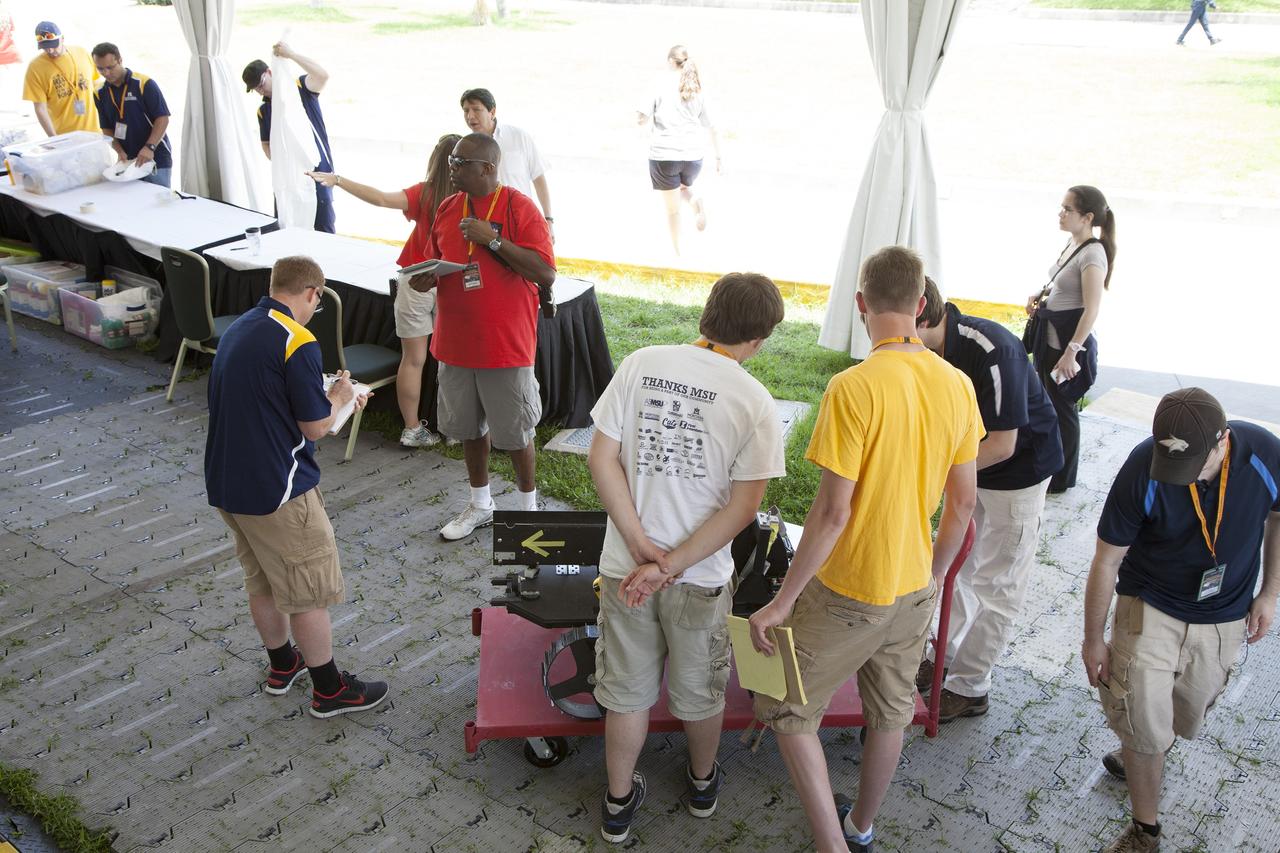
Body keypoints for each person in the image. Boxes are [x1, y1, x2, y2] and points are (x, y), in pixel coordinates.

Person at [749, 246, 983, 853]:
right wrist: (934, 576)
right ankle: (861, 827)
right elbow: (962, 507)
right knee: (891, 713)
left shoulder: (852, 387)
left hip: (850, 588)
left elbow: (832, 514)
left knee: (784, 706)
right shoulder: (958, 384)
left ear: (860, 304)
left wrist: (782, 602)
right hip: (914, 586)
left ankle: (830, 843)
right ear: (922, 304)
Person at [587, 272, 787, 844]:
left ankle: (618, 804)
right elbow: (745, 507)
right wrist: (670, 564)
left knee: (626, 692)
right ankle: (702, 785)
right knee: (701, 691)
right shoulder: (755, 401)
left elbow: (601, 459)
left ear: (706, 315)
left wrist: (641, 547)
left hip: (625, 570)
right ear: (760, 339)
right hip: (699, 579)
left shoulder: (641, 363)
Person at [1083, 388, 1279, 853]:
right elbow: (1107, 560)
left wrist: (1270, 593)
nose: (1178, 477)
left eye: (1192, 465)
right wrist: (1092, 639)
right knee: (1142, 719)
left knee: (1187, 709)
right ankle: (1144, 829)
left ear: (1222, 441)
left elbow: (1278, 517)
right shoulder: (1143, 465)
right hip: (1150, 604)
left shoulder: (1265, 455)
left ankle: (1149, 745)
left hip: (1224, 612)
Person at [205, 255, 389, 719]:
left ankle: (283, 663)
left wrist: (328, 399)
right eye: (317, 304)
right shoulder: (299, 340)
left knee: (263, 580)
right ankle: (329, 689)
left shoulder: (240, 327)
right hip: (279, 489)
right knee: (309, 591)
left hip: (229, 480)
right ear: (312, 293)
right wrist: (341, 397)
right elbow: (315, 427)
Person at [914, 277, 1064, 722]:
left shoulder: (992, 349)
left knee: (997, 584)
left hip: (1018, 474)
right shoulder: (924, 352)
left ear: (921, 315)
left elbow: (1002, 444)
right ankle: (941, 658)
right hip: (973, 468)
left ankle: (970, 686)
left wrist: (936, 473)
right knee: (957, 567)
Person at [410, 133, 556, 541]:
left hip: (504, 344)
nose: (452, 168)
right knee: (469, 430)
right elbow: (435, 259)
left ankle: (527, 511)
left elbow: (545, 272)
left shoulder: (518, 207)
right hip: (455, 343)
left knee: (516, 434)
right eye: (451, 161)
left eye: (461, 163)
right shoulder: (448, 207)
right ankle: (480, 504)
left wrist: (491, 239)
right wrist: (425, 277)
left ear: (488, 168)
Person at [306, 133, 462, 448]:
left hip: (415, 279)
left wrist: (338, 180)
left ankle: (412, 428)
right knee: (453, 361)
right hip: (452, 280)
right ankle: (456, 429)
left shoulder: (425, 192)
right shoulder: (468, 198)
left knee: (413, 360)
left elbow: (380, 198)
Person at [1024, 185, 1116, 494]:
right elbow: (1065, 285)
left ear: (1087, 217)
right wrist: (1041, 294)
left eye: (1068, 209)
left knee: (1063, 410)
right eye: (1061, 207)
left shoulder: (1093, 254)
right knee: (1048, 404)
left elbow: (1092, 308)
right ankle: (1049, 465)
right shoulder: (1073, 243)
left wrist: (1071, 352)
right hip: (1050, 339)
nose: (1061, 214)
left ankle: (1062, 477)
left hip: (1067, 346)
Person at [637, 45, 722, 255]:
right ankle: (696, 203)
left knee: (672, 210)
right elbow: (712, 126)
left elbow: (641, 118)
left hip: (664, 156)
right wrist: (719, 157)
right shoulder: (696, 88)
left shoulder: (658, 83)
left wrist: (643, 123)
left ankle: (678, 254)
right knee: (683, 188)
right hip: (693, 157)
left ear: (670, 62)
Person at [243, 42, 335, 233]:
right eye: (256, 89)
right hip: (288, 179)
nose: (261, 91)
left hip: (319, 172)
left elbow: (322, 76)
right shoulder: (264, 110)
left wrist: (291, 54)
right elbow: (266, 144)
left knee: (323, 228)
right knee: (287, 227)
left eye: (261, 84)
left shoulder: (299, 87)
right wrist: (282, 160)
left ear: (269, 72)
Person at [459, 88, 554, 238]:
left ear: (492, 112)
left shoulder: (519, 137)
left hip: (522, 219)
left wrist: (548, 219)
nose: (470, 116)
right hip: (485, 226)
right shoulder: (464, 147)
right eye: (466, 111)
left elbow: (538, 178)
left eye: (476, 109)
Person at [90, 43, 173, 188]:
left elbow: (163, 118)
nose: (106, 73)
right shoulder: (99, 92)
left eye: (110, 67)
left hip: (155, 156)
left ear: (120, 60)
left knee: (159, 199)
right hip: (128, 159)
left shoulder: (143, 84)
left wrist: (149, 147)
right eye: (100, 69)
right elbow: (106, 128)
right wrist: (119, 151)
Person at [23, 22, 97, 136]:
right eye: (45, 47)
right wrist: (54, 138)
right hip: (65, 136)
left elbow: (96, 84)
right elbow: (40, 108)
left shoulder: (81, 52)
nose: (50, 50)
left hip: (96, 130)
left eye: (53, 45)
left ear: (62, 39)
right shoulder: (35, 67)